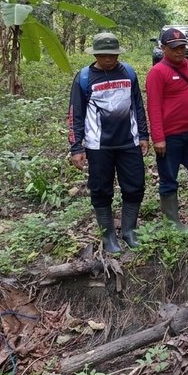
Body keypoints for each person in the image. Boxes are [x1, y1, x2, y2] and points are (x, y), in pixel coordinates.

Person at [67, 32, 149, 253]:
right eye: (103, 55)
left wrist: (143, 135)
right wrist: (76, 147)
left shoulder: (128, 73)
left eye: (112, 55)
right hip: (98, 145)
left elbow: (138, 105)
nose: (108, 59)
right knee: (101, 190)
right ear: (95, 54)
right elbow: (75, 113)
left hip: (128, 141)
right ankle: (109, 236)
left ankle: (129, 231)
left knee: (135, 186)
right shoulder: (84, 78)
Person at [146, 28, 188, 230]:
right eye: (174, 47)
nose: (179, 51)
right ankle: (172, 220)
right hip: (170, 136)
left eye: (182, 47)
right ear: (163, 48)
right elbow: (153, 107)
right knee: (169, 178)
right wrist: (158, 138)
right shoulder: (157, 72)